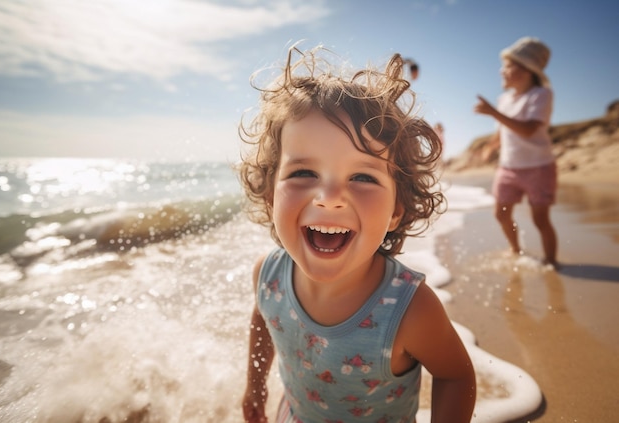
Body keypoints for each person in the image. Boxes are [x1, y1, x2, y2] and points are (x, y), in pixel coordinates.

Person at [238, 45, 476, 423]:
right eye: (303, 173)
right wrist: (256, 384)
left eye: (362, 177)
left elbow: (455, 374)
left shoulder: (409, 310)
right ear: (270, 196)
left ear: (397, 209)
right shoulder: (268, 277)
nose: (330, 198)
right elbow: (264, 321)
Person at [474, 36, 559, 268]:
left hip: (538, 167)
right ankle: (516, 250)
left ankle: (551, 262)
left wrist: (492, 111)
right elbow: (503, 130)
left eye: (508, 66)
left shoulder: (541, 95)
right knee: (501, 214)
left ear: (526, 71)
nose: (502, 71)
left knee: (540, 219)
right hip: (508, 167)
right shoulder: (504, 100)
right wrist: (490, 146)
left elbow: (530, 130)